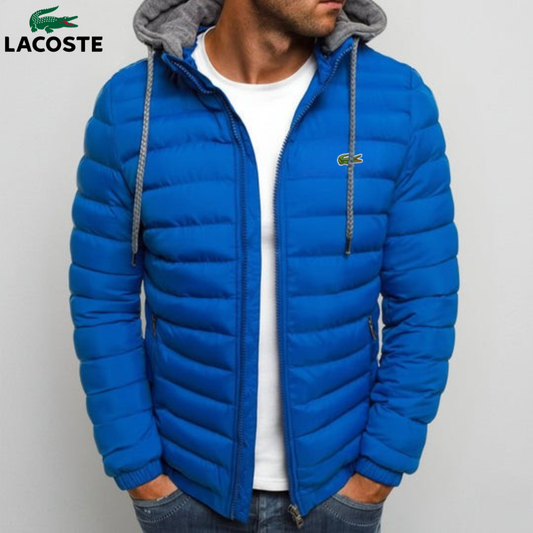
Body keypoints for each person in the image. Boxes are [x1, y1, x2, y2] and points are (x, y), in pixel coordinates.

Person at [68, 0, 460, 531]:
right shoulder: (130, 107)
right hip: (185, 489)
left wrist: (378, 471)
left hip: (336, 492)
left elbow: (425, 305)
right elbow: (102, 303)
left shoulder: (397, 103)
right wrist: (140, 470)